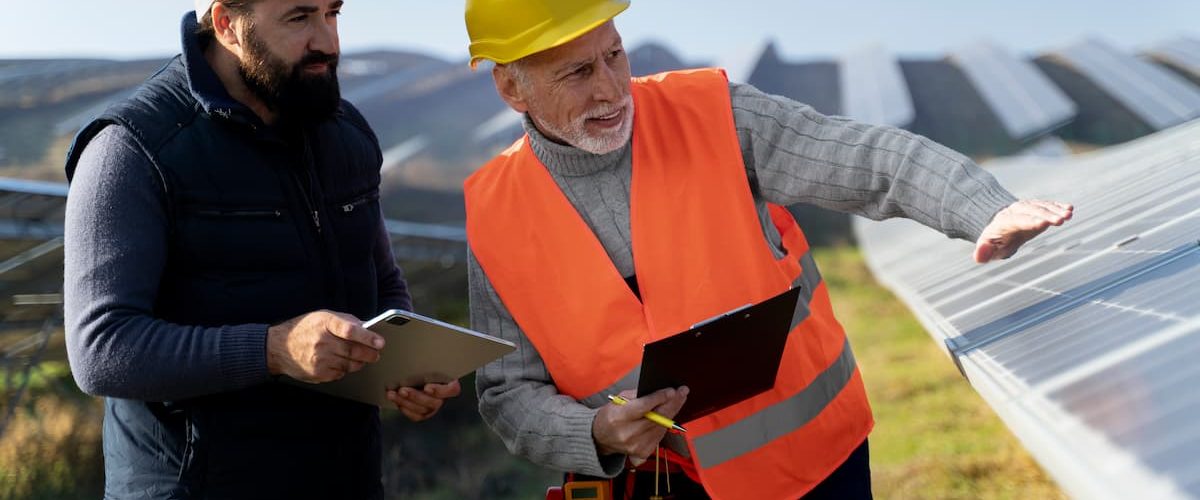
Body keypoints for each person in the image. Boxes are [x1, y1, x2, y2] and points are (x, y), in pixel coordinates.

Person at [462, 1, 1073, 498]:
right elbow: (508, 393)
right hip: (659, 486)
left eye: (615, 55)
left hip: (812, 465)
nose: (612, 88)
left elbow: (863, 156)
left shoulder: (713, 113)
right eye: (578, 72)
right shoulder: (493, 212)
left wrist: (984, 206)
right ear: (512, 87)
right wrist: (591, 432)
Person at [62, 1, 460, 498]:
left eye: (332, 13)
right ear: (228, 25)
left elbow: (381, 281)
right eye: (299, 18)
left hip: (347, 479)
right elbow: (100, 349)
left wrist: (404, 366)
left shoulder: (346, 133)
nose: (328, 41)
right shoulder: (134, 148)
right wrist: (273, 349)